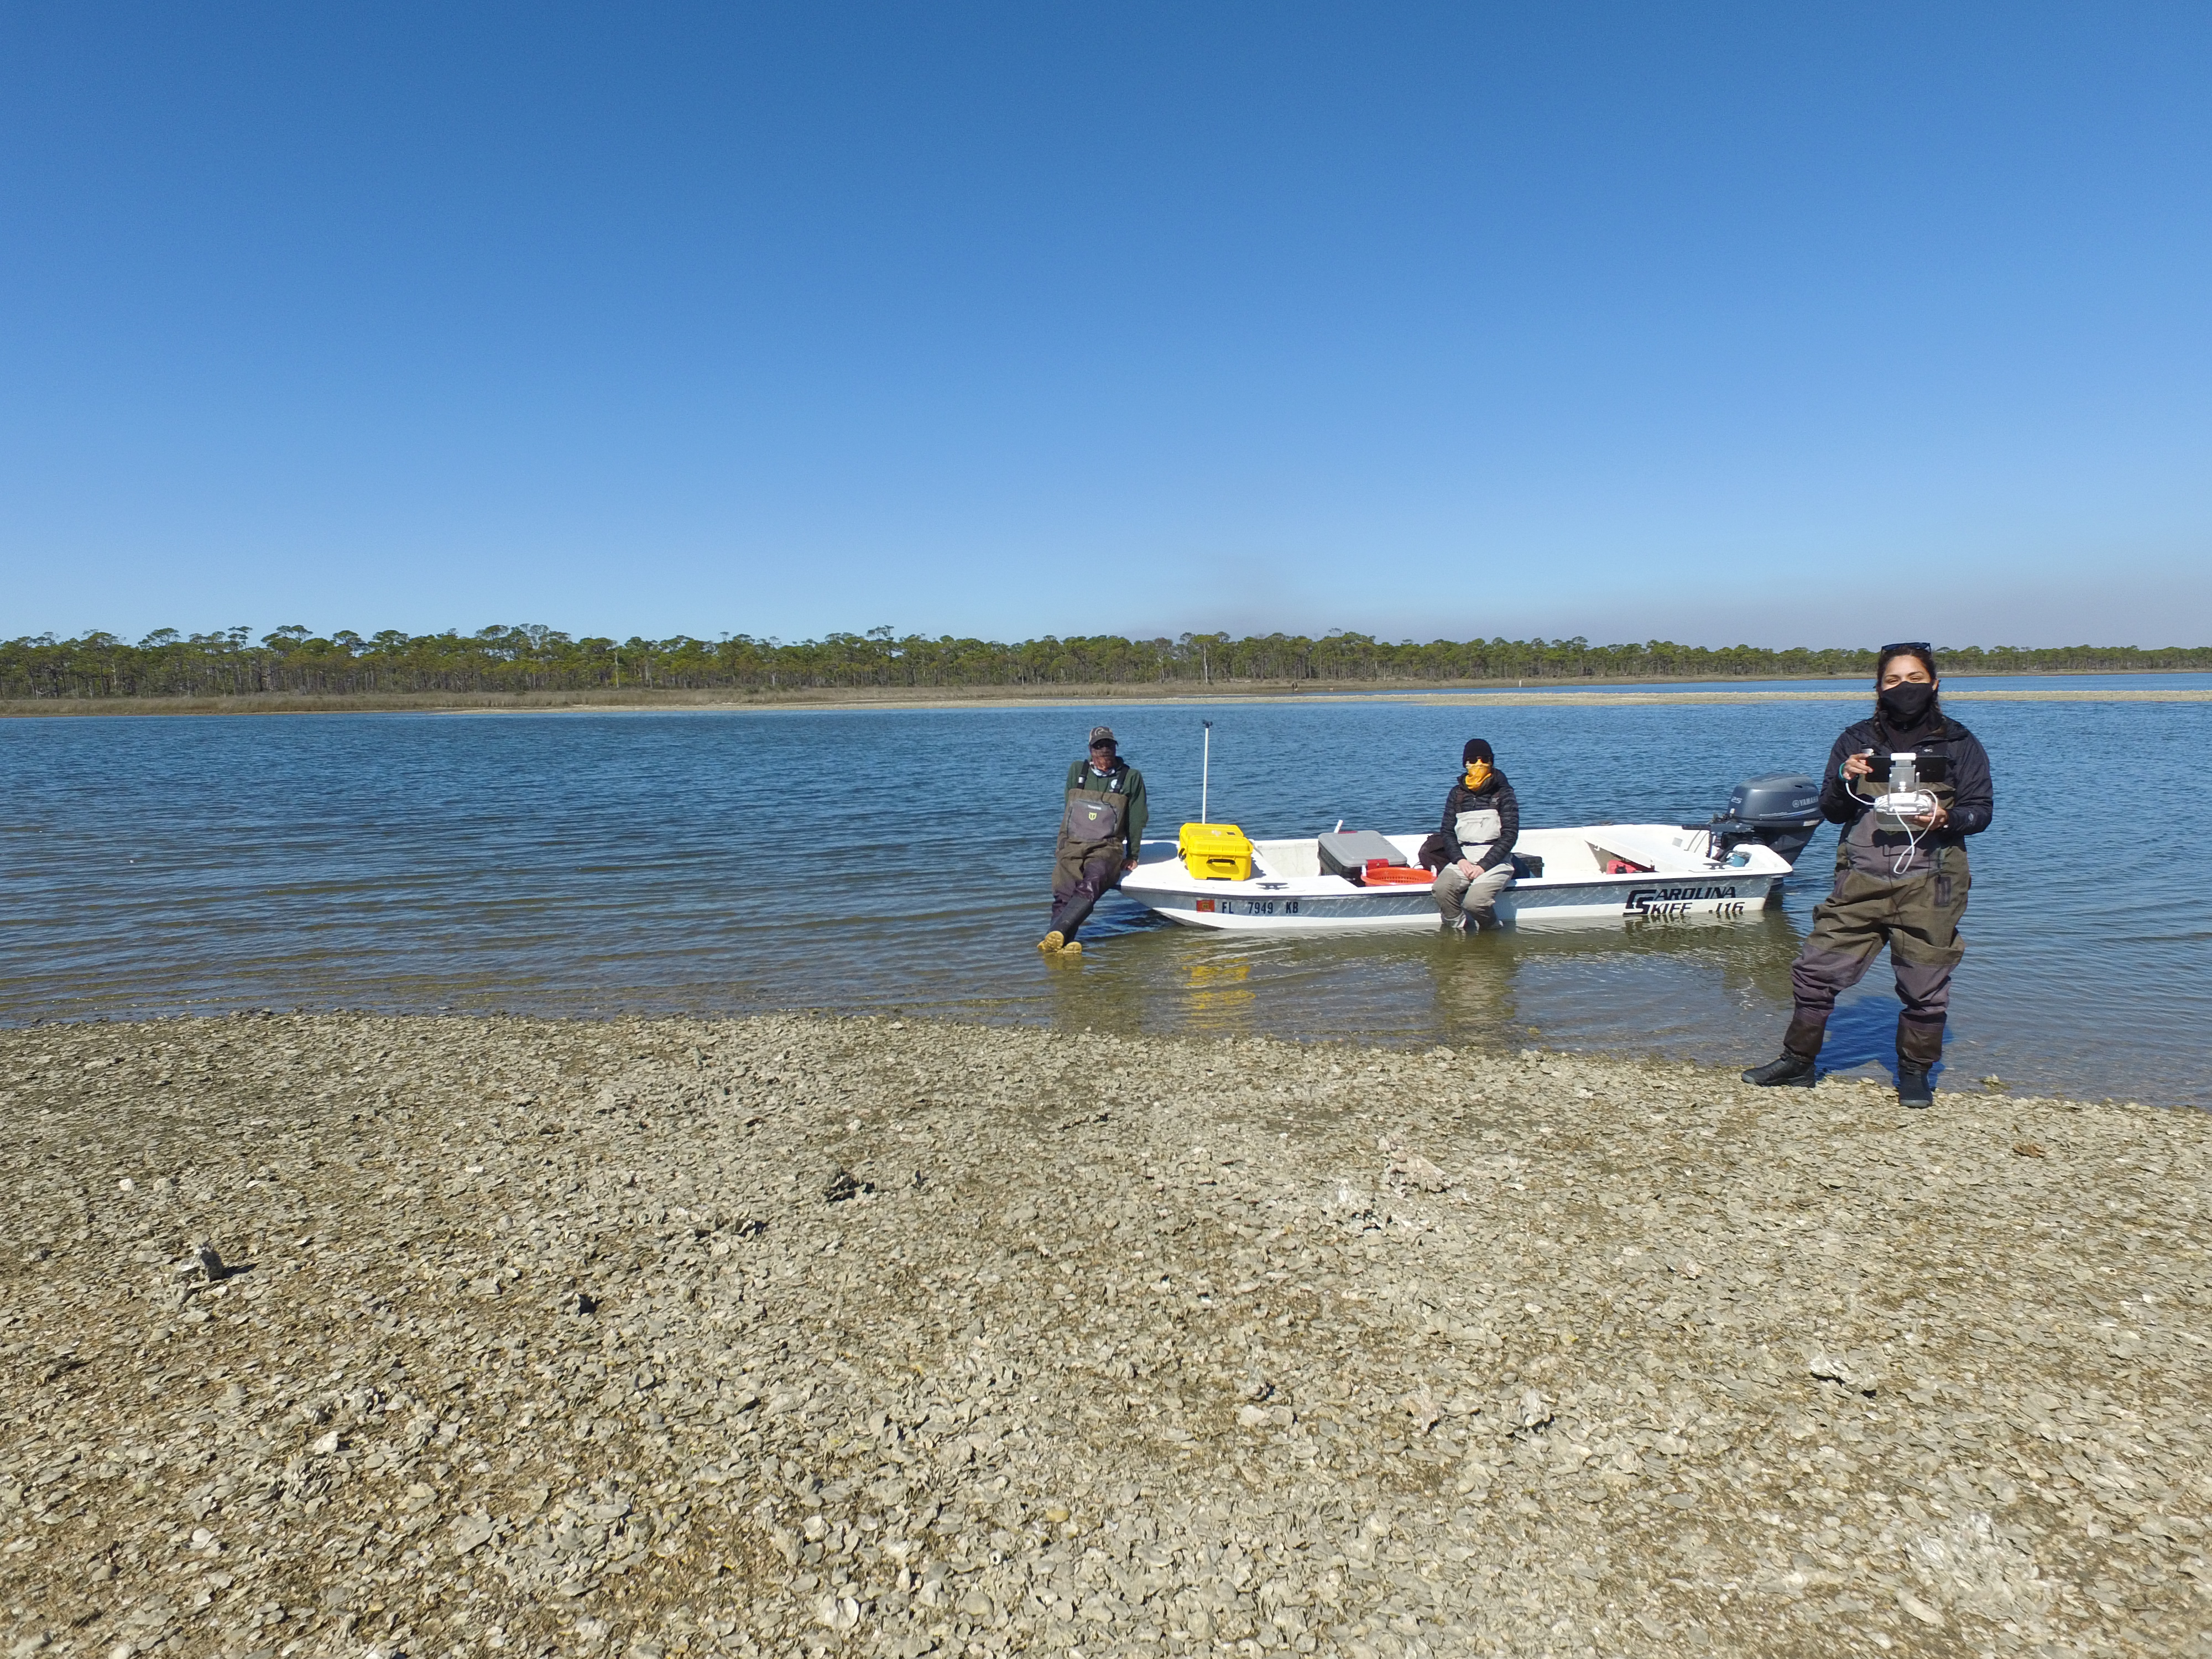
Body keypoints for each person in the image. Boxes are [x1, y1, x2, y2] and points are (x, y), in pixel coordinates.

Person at [1743, 643, 1994, 1107]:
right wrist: (1843, 774)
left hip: (1932, 882)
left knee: (1926, 983)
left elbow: (1982, 813)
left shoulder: (1960, 743)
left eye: (1915, 679)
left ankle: (1916, 1073)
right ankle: (1798, 1063)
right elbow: (1832, 811)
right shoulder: (1855, 739)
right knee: (1814, 972)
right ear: (1878, 687)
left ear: (1935, 684)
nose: (1905, 688)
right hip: (1860, 878)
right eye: (1894, 680)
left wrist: (1947, 820)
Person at [1040, 726, 1148, 953]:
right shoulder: (1077, 770)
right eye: (1099, 746)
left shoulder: (1131, 777)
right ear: (1091, 749)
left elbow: (1137, 818)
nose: (1104, 751)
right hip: (1072, 842)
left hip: (1107, 846)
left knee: (1094, 880)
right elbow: (1068, 808)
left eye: (1108, 745)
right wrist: (1063, 845)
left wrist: (1133, 855)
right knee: (1064, 891)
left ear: (1115, 748)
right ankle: (1063, 944)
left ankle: (1056, 936)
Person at [1430, 738, 1519, 931]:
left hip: (1496, 860)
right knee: (1441, 889)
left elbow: (1510, 835)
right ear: (1465, 763)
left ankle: (1492, 930)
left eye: (1484, 759)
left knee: (1475, 903)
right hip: (1463, 857)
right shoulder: (1456, 794)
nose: (1478, 764)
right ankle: (1460, 929)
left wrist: (1483, 867)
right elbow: (1447, 831)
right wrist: (1460, 860)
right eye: (1473, 760)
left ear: (1491, 762)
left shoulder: (1504, 793)